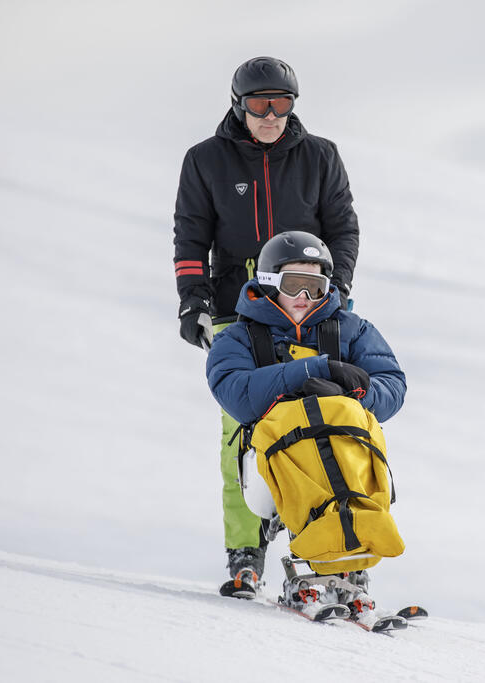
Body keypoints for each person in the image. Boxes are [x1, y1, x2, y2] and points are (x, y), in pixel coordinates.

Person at [171, 57, 361, 577]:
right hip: (240, 310)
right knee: (241, 432)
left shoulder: (320, 157)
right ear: (240, 106)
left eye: (282, 104)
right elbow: (191, 234)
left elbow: (342, 228)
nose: (271, 115)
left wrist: (337, 287)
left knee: (323, 423)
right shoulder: (206, 160)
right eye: (260, 104)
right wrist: (194, 298)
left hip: (309, 309)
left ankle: (330, 547)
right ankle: (245, 550)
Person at [206, 231, 405, 597]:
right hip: (277, 458)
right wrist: (316, 371)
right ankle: (303, 554)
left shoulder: (351, 328)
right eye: (294, 285)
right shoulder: (239, 338)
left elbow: (392, 384)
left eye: (315, 287)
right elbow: (237, 393)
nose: (304, 297)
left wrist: (357, 392)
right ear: (268, 282)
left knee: (350, 428)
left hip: (343, 446)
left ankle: (353, 556)